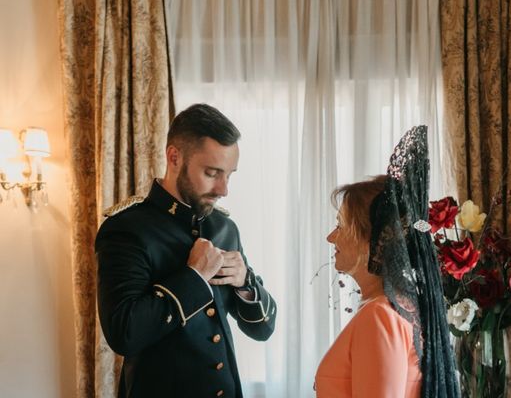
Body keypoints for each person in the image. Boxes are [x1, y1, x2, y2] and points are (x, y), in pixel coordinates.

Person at [96, 104, 276, 398]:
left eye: (229, 175)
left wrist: (245, 283)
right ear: (174, 157)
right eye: (212, 173)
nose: (223, 189)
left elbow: (262, 330)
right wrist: (193, 276)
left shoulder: (224, 228)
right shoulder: (126, 229)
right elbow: (124, 334)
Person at [315, 126, 460, 398]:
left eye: (341, 226)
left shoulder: (381, 314)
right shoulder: (399, 306)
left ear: (373, 240)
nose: (330, 237)